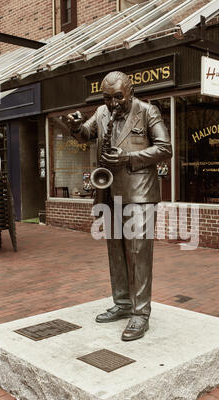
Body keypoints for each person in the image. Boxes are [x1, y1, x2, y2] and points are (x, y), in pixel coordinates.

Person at [67, 71, 172, 341]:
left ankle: (140, 313)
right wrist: (76, 126)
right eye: (107, 98)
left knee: (138, 254)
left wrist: (129, 158)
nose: (113, 104)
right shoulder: (102, 112)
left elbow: (165, 148)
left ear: (131, 92)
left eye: (118, 98)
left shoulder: (148, 112)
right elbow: (85, 134)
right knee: (116, 253)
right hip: (109, 194)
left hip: (140, 195)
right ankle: (123, 304)